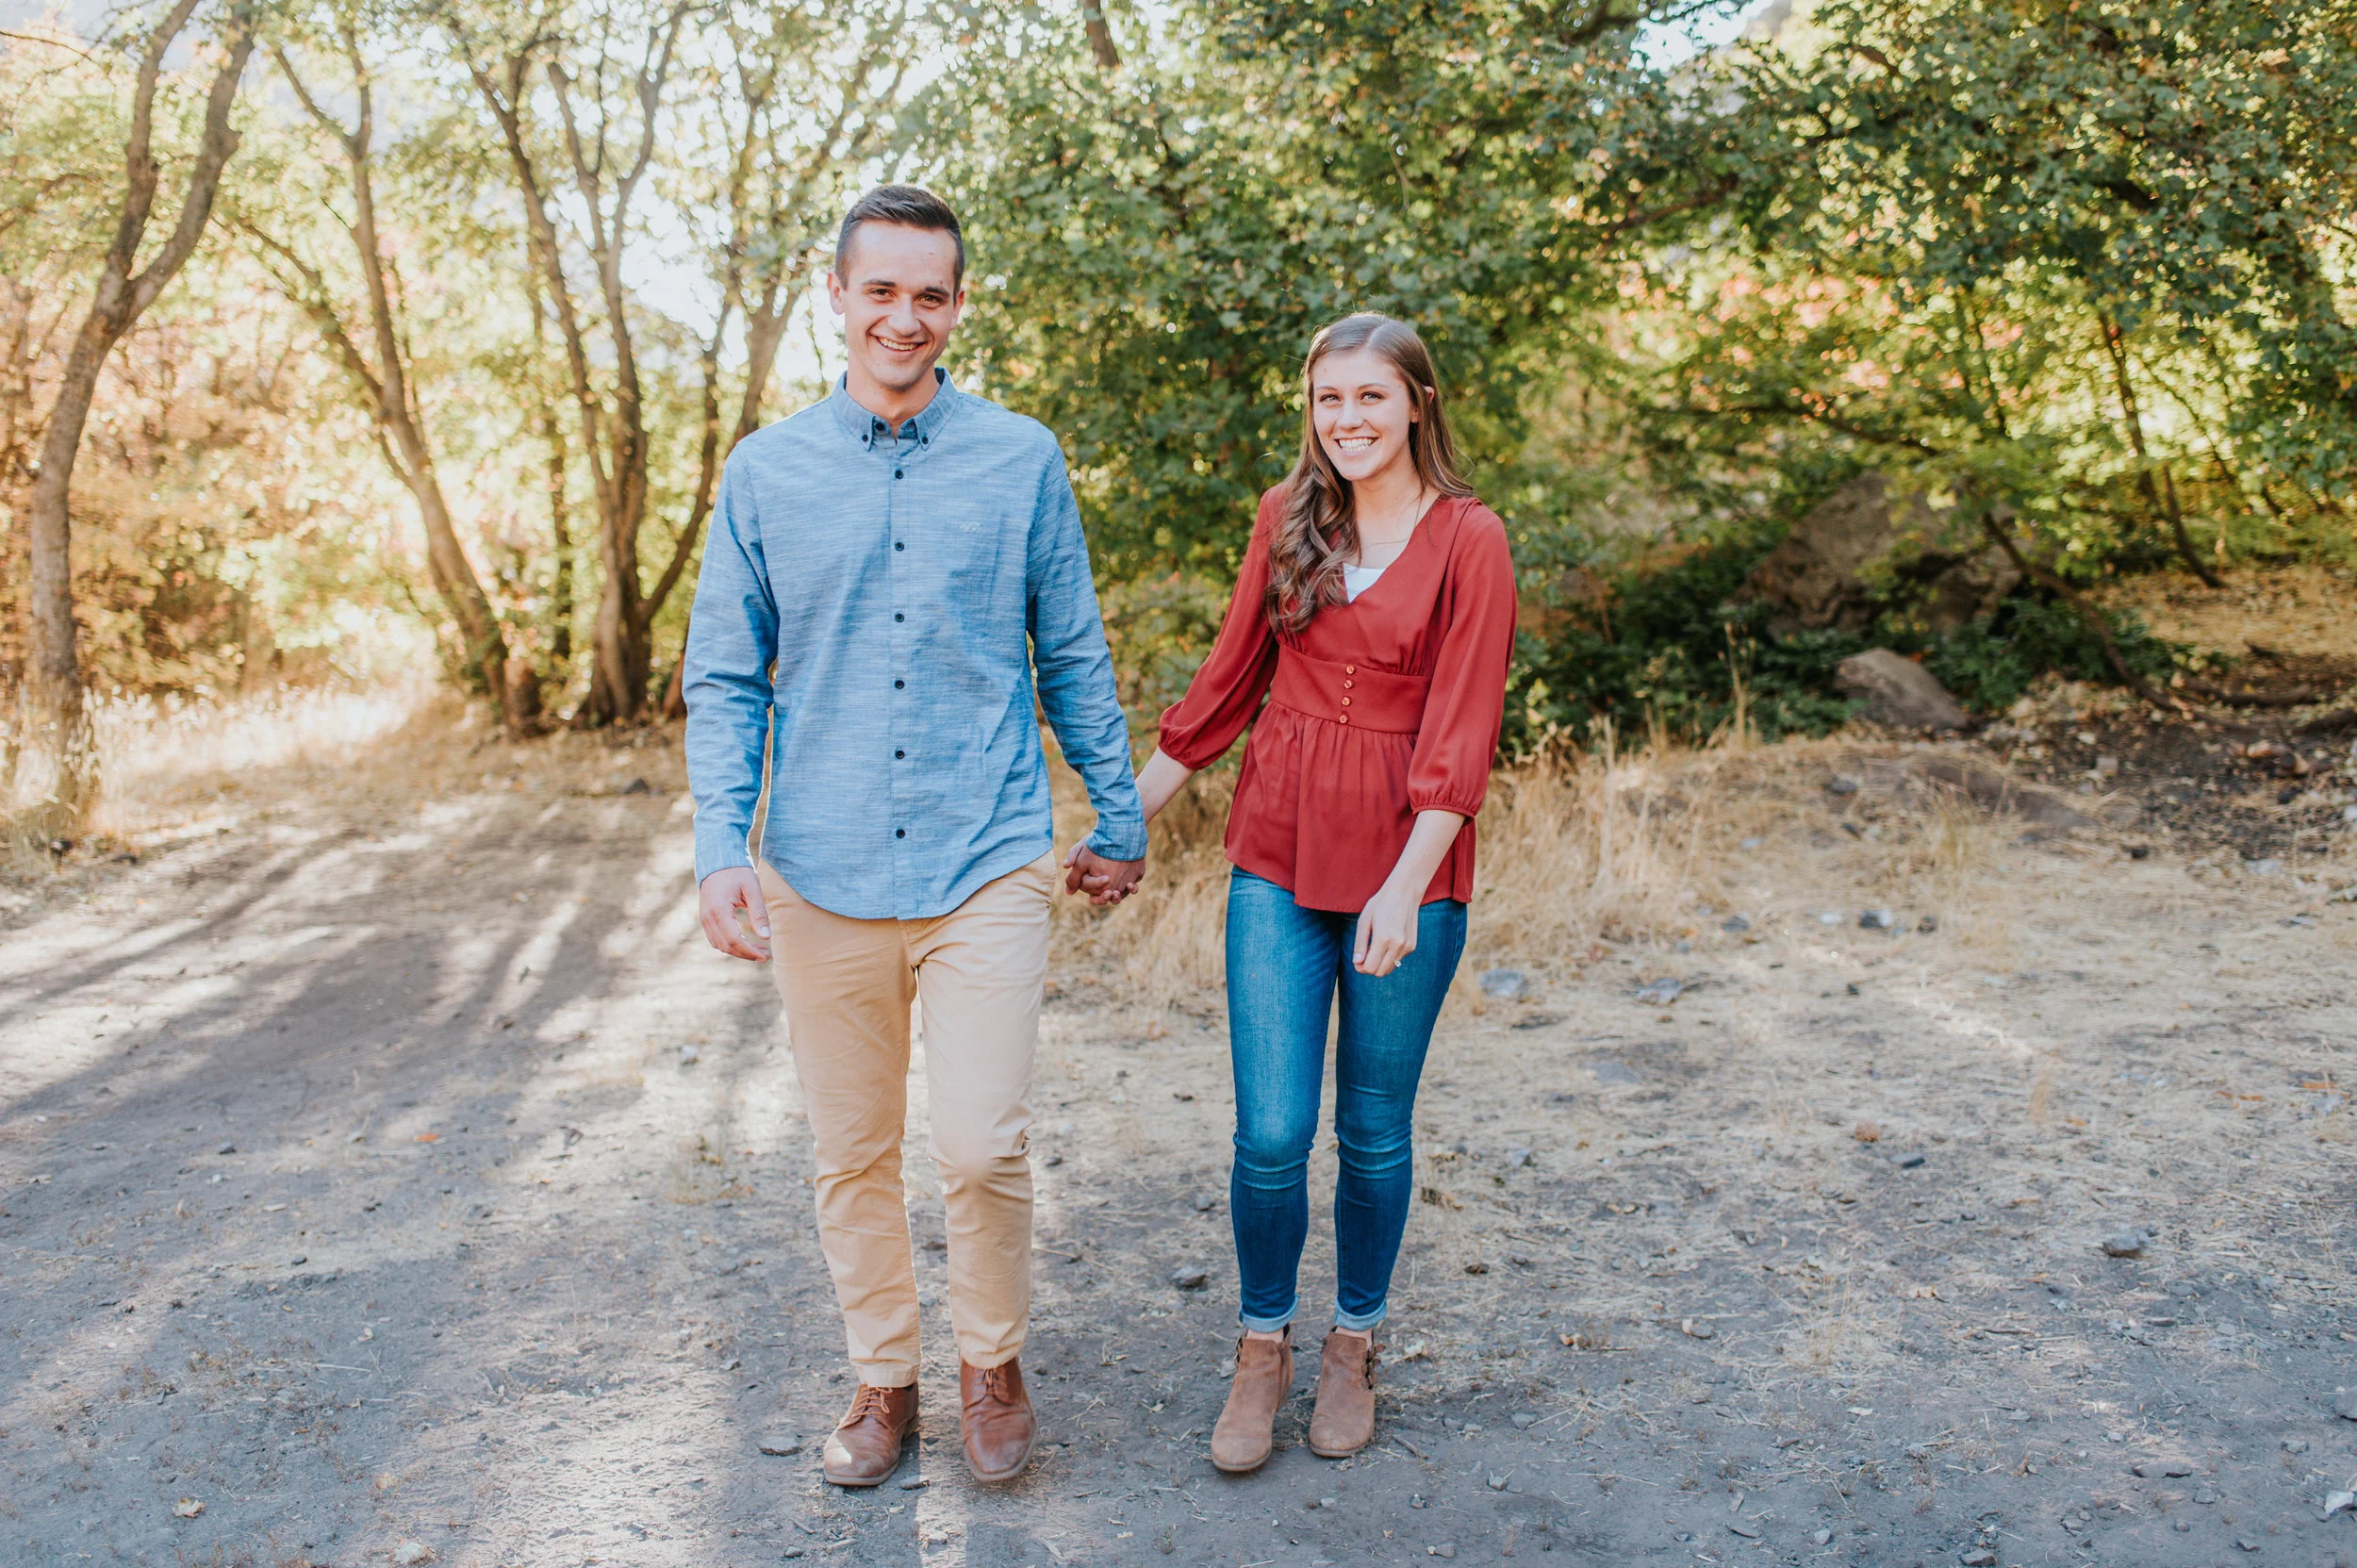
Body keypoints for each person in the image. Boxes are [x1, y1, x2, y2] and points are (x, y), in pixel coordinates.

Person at [683, 184, 1146, 1489]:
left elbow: (1071, 648)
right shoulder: (766, 472)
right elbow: (724, 673)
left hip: (982, 849)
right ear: (835, 295)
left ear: (957, 306)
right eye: (879, 289)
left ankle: (990, 1363)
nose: (903, 315)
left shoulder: (1022, 458)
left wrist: (1118, 815)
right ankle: (883, 1378)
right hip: (819, 864)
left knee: (985, 1137)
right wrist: (724, 844)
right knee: (852, 1149)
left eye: (928, 293)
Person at [1128, 313, 1515, 1473]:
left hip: (1408, 866)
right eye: (1327, 398)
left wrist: (1405, 886)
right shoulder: (1285, 516)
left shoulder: (1470, 538)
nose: (1345, 419)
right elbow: (1226, 681)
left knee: (1372, 1131)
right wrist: (1119, 821)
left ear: (1417, 404)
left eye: (1369, 397)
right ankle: (1262, 1348)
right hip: (1279, 852)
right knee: (1270, 1132)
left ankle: (1352, 1341)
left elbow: (1462, 727)